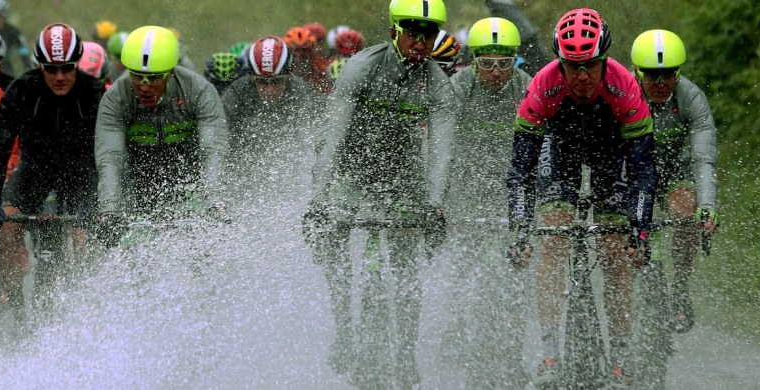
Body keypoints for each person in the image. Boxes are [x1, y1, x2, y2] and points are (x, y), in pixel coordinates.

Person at [303, 0, 456, 386]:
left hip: (402, 175)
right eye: (412, 33)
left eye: (429, 35)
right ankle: (344, 331)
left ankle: (405, 351)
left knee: (406, 263)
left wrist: (435, 208)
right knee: (333, 243)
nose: (420, 42)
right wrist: (318, 201)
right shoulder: (363, 66)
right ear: (394, 31)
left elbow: (441, 152)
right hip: (349, 168)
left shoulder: (437, 83)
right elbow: (331, 138)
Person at [507, 8, 657, 386]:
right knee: (554, 235)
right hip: (560, 149)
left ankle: (620, 358)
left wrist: (640, 231)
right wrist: (521, 231)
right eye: (573, 66)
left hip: (612, 152)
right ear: (560, 62)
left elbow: (643, 172)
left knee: (612, 247)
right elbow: (520, 171)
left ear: (604, 58)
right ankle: (549, 354)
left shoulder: (625, 87)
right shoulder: (544, 85)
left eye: (590, 65)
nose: (583, 76)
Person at [0, 23, 104, 306]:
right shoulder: (21, 89)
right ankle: (15, 302)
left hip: (81, 174)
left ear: (77, 64)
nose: (60, 77)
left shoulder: (93, 92)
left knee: (87, 236)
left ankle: (89, 302)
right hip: (34, 172)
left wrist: (98, 201)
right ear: (40, 66)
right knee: (4, 225)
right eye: (51, 69)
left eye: (67, 69)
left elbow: (108, 150)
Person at [442, 16, 532, 387]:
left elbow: (542, 150)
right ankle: (457, 321)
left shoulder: (528, 87)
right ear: (474, 60)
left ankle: (510, 353)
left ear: (514, 61)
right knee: (464, 265)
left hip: (510, 195)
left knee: (514, 276)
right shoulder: (458, 87)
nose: (496, 72)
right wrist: (442, 204)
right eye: (487, 63)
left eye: (504, 63)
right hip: (465, 193)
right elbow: (440, 148)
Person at [93, 25, 229, 246]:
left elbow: (212, 150)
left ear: (171, 72)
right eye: (137, 77)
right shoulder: (115, 98)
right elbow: (110, 159)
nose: (144, 88)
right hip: (138, 187)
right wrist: (110, 212)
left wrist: (214, 201)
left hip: (191, 183)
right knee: (135, 255)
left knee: (201, 249)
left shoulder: (199, 91)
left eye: (154, 78)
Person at [631, 29, 720, 334]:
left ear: (678, 73)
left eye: (668, 75)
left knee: (685, 213)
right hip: (632, 172)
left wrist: (707, 206)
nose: (659, 83)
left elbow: (702, 159)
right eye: (651, 75)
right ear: (636, 71)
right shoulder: (622, 92)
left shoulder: (690, 96)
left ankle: (680, 289)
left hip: (675, 170)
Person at [222, 35, 317, 160]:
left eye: (276, 82)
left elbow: (311, 140)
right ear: (251, 78)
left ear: (289, 76)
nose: (270, 89)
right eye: (262, 82)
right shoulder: (236, 93)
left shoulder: (302, 93)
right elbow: (223, 138)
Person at [0, 0, 31, 76]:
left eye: (0, 16)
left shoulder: (13, 31)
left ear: (5, 17)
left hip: (5, 66)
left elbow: (23, 51)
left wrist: (28, 71)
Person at [283, 26, 333, 94]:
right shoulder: (281, 69)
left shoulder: (320, 68)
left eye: (304, 55)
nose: (298, 58)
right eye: (295, 54)